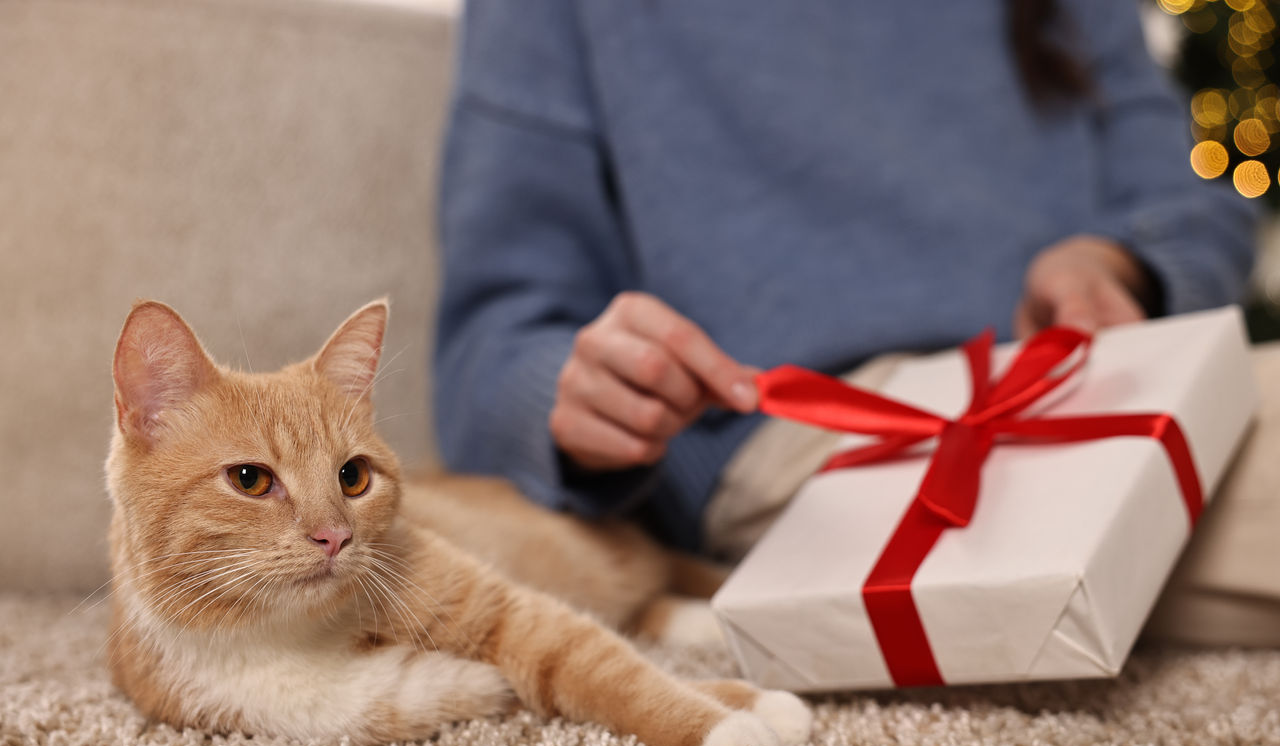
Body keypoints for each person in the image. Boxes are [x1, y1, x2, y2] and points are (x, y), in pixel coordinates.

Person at [433, 1, 1260, 576]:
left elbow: (1193, 205)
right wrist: (576, 398)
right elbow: (489, 345)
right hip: (821, 430)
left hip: (1094, 377)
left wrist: (1119, 263)